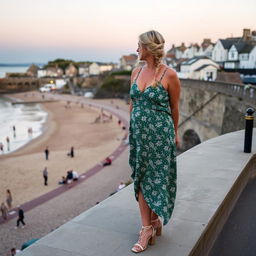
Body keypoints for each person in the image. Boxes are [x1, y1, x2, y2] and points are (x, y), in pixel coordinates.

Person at [129, 30, 180, 253]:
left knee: (156, 178)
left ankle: (147, 228)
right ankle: (151, 224)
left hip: (160, 137)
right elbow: (133, 103)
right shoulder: (135, 72)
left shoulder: (170, 75)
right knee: (141, 177)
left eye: (139, 45)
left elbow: (175, 108)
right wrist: (131, 129)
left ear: (149, 48)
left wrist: (175, 134)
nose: (136, 49)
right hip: (139, 136)